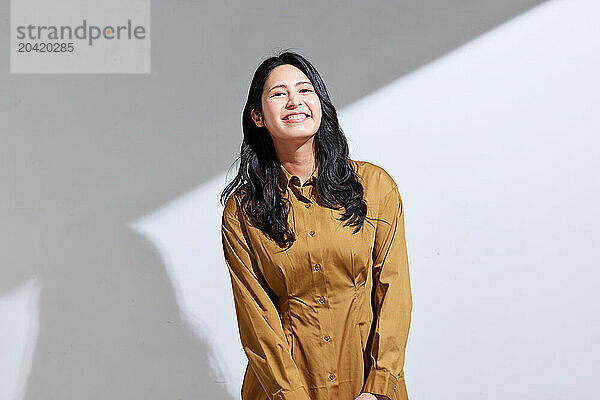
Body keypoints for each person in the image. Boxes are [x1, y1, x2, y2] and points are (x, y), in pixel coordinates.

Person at [220, 51, 412, 400]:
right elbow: (256, 318)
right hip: (287, 388)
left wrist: (380, 387)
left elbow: (394, 292)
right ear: (258, 116)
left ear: (320, 105)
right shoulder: (243, 211)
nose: (294, 101)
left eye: (305, 90)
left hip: (368, 384)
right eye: (278, 94)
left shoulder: (375, 187)